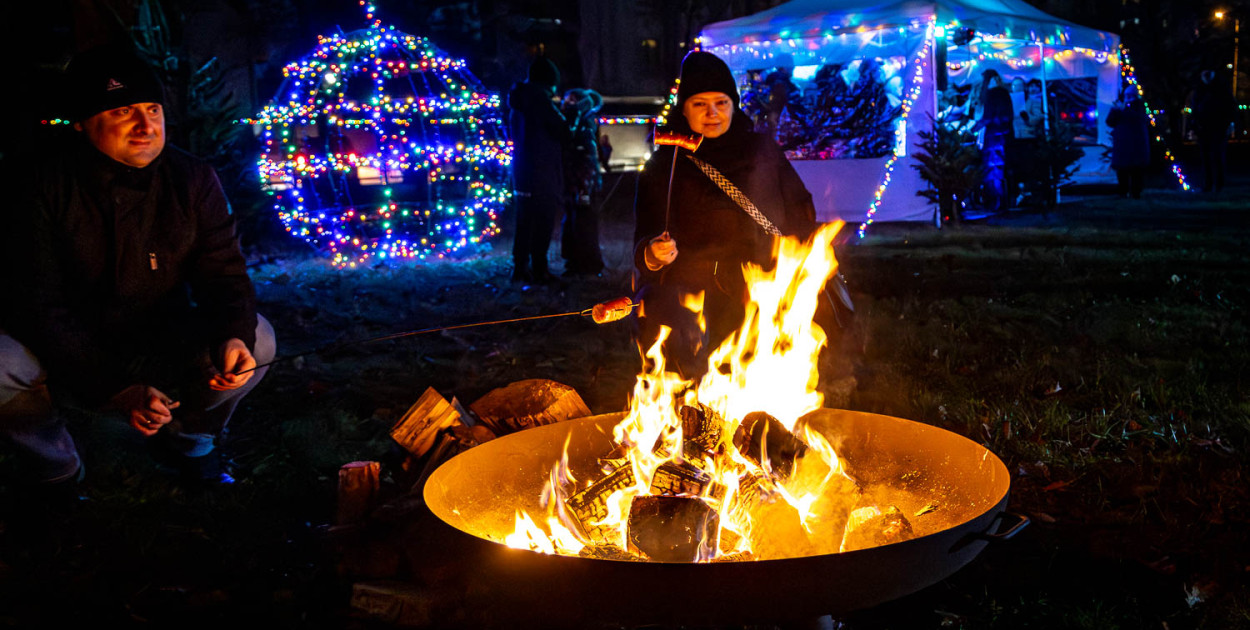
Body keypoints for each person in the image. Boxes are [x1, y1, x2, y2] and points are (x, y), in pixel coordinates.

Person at [0, 43, 276, 496]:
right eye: (123, 111)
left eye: (153, 109)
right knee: (2, 363)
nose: (146, 126)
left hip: (159, 330)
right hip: (64, 345)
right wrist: (114, 386)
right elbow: (36, 304)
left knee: (258, 339)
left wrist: (233, 336)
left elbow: (223, 274)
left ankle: (191, 443)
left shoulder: (192, 178)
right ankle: (54, 466)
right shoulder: (40, 184)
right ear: (85, 122)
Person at [633, 51, 817, 379]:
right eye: (700, 104)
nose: (712, 113)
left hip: (761, 290)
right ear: (683, 109)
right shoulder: (666, 164)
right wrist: (652, 253)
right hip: (692, 302)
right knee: (699, 389)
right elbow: (644, 235)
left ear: (734, 104)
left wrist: (798, 261)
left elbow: (799, 207)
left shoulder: (762, 151)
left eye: (721, 102)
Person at [508, 56, 573, 284]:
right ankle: (539, 269)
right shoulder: (541, 101)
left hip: (522, 169)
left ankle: (519, 268)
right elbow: (563, 131)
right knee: (543, 219)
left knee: (524, 220)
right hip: (543, 170)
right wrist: (570, 114)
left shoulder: (518, 101)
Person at [559, 88, 606, 277]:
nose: (565, 103)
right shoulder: (577, 118)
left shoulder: (582, 119)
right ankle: (576, 261)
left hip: (581, 181)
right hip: (574, 179)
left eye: (569, 99)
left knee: (583, 220)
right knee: (574, 219)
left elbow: (587, 153)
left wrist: (586, 184)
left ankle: (587, 263)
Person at [970, 69, 1015, 212]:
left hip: (993, 138)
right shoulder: (1004, 94)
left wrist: (973, 129)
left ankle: (995, 199)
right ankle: (1001, 200)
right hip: (1004, 135)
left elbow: (988, 117)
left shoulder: (991, 95)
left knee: (992, 168)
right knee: (999, 169)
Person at [1191, 69, 1239, 193]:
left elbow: (1230, 107)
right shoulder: (1200, 89)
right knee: (1206, 157)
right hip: (1204, 127)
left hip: (1218, 127)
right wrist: (1195, 126)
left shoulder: (1220, 88)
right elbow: (1195, 109)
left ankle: (1218, 184)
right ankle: (1209, 183)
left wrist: (1229, 123)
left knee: (1217, 156)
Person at [1107, 86, 1151, 199]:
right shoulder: (1120, 106)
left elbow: (1138, 118)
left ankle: (1136, 193)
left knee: (1136, 171)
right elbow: (1110, 122)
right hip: (1122, 144)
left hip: (1136, 144)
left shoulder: (1140, 105)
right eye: (1126, 95)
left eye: (1130, 95)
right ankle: (1123, 192)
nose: (1128, 98)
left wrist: (1123, 110)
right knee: (1122, 170)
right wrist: (1114, 110)